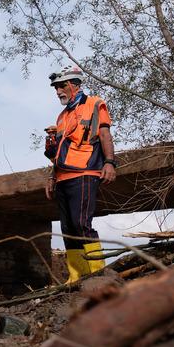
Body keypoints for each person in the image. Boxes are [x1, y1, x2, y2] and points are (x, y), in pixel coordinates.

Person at [43, 65, 117, 283]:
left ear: (74, 84)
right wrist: (52, 176)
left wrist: (110, 162)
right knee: (67, 228)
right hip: (63, 176)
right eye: (55, 88)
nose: (58, 92)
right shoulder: (61, 117)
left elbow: (104, 134)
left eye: (61, 86)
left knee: (81, 223)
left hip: (85, 171)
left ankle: (97, 273)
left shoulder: (94, 103)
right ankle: (76, 276)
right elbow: (57, 152)